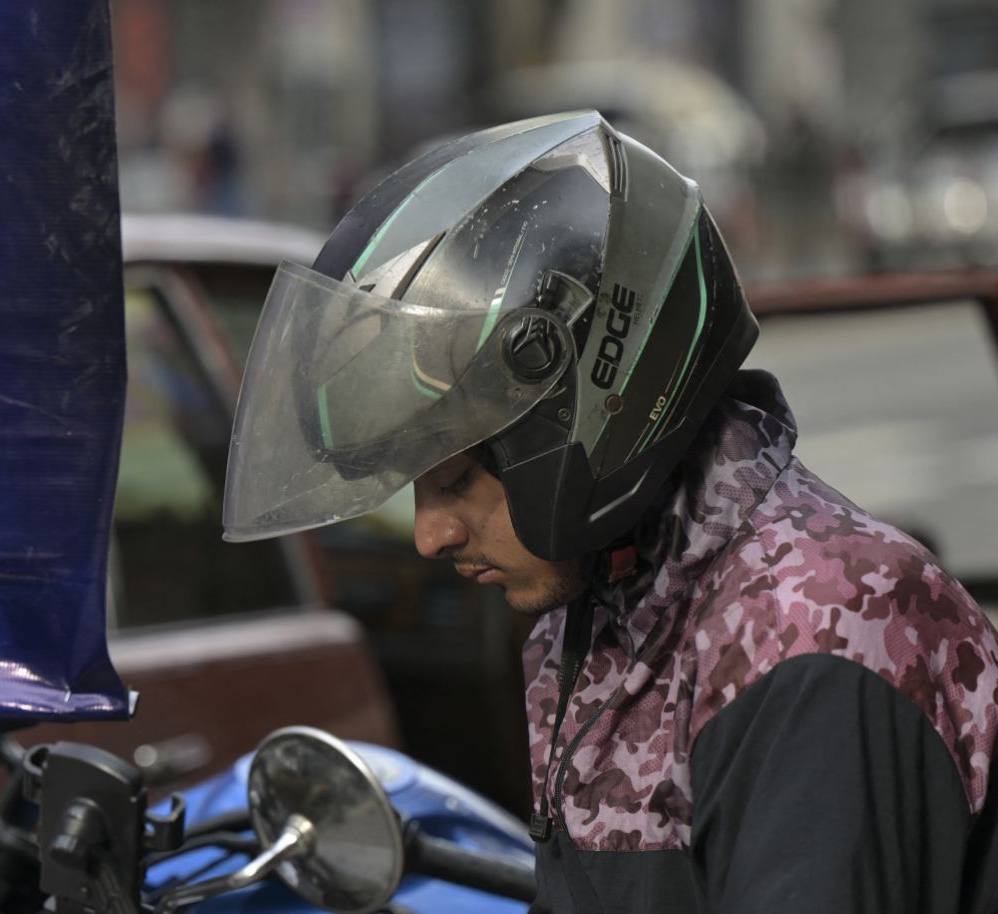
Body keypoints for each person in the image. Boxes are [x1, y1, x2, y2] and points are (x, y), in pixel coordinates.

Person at [220, 110, 998, 912]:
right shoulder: (601, 609)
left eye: (452, 481)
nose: (429, 535)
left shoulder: (810, 644)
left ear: (592, 421)